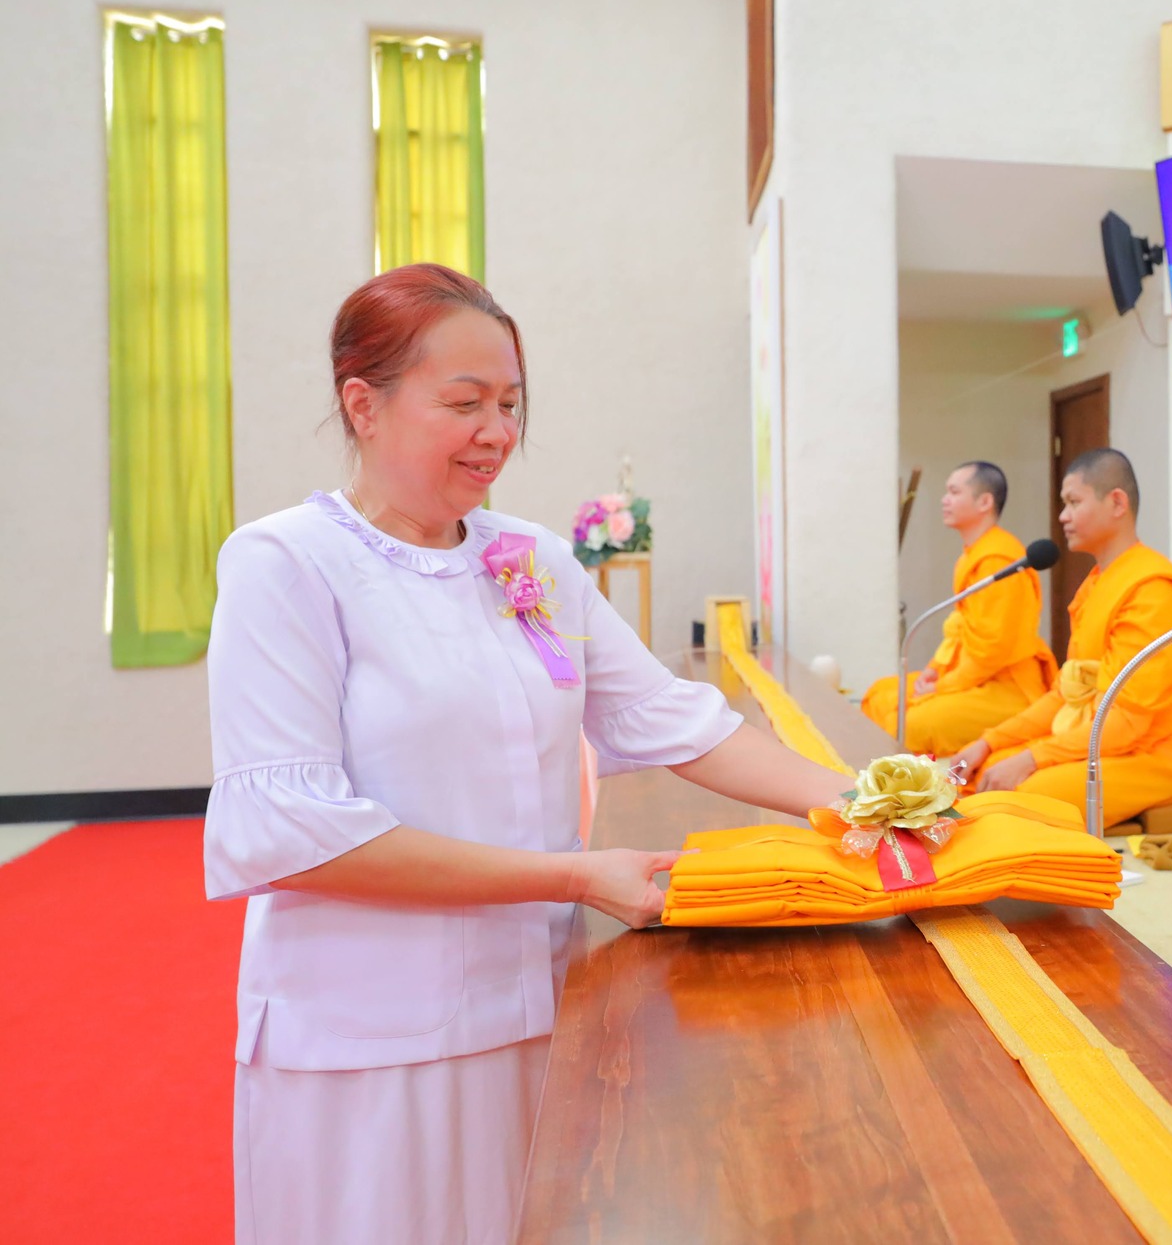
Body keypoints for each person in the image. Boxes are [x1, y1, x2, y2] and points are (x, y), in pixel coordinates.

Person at [202, 263, 852, 1245]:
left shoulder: (530, 560)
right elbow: (295, 835)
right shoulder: (288, 566)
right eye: (464, 403)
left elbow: (668, 719)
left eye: (510, 402)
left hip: (534, 1008)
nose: (497, 431)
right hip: (374, 1038)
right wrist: (572, 876)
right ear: (362, 405)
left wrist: (864, 800)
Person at [951, 448, 1172, 826]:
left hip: (1158, 752)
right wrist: (989, 741)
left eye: (1073, 502)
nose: (1062, 516)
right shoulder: (1098, 583)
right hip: (1108, 737)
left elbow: (1128, 720)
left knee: (1014, 797)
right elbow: (1068, 693)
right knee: (988, 768)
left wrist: (1033, 757)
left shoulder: (1153, 589)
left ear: (1116, 502)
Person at [859, 461, 1056, 756]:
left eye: (953, 492)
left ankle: (911, 794)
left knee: (909, 723)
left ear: (984, 502)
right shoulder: (973, 555)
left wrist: (943, 686)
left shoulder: (997, 561)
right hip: (973, 676)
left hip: (1006, 686)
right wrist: (934, 671)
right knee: (879, 695)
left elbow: (991, 650)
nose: (944, 499)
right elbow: (961, 631)